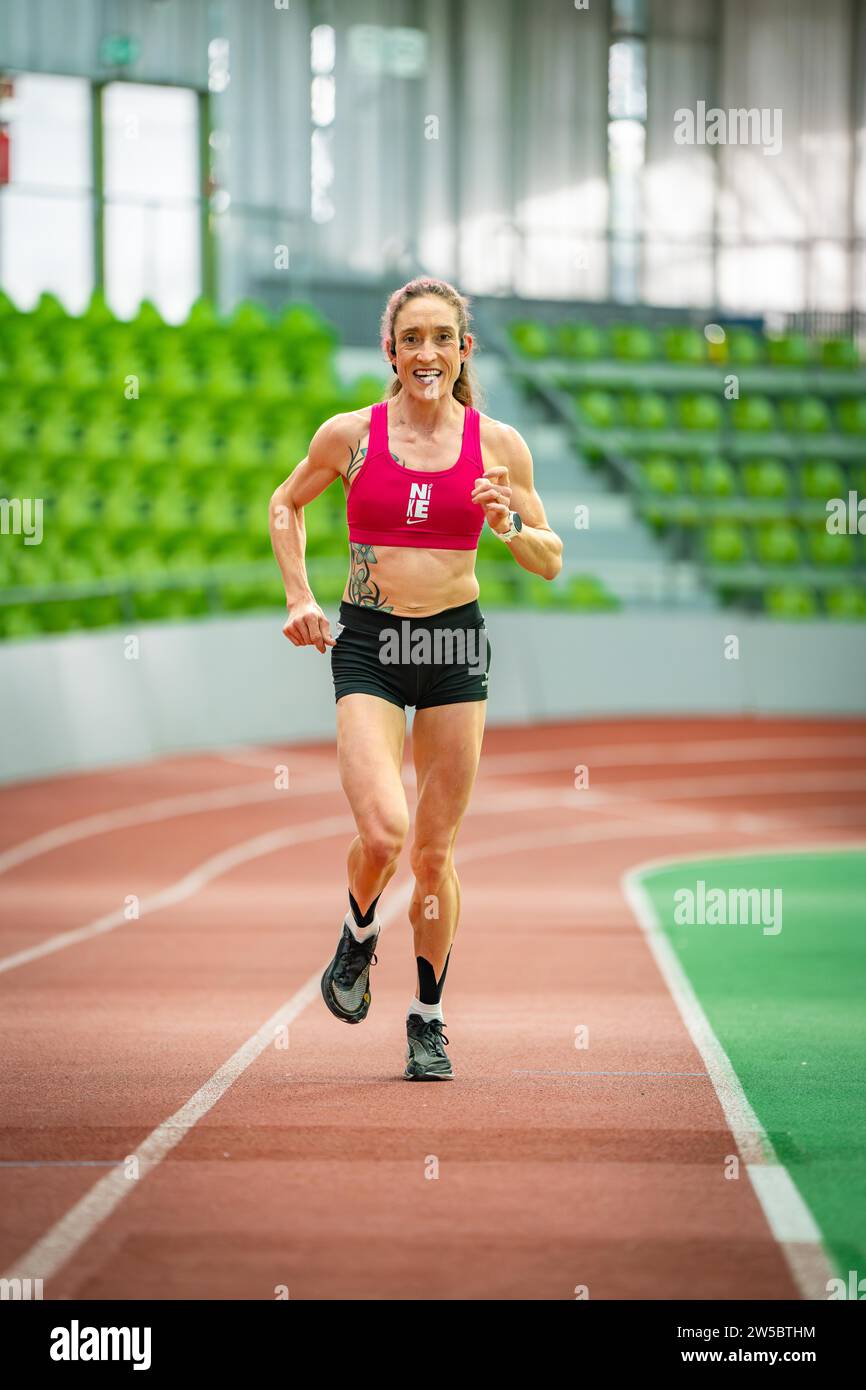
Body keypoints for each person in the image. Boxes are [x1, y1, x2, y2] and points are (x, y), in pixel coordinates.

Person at [269, 276, 562, 1079]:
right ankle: (359, 933)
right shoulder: (350, 436)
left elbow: (551, 559)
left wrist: (506, 527)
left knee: (433, 856)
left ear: (463, 349)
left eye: (442, 337)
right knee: (384, 833)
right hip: (370, 643)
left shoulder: (499, 445)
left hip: (452, 651)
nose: (425, 352)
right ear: (391, 352)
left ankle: (428, 1019)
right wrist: (298, 595)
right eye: (411, 339)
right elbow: (283, 505)